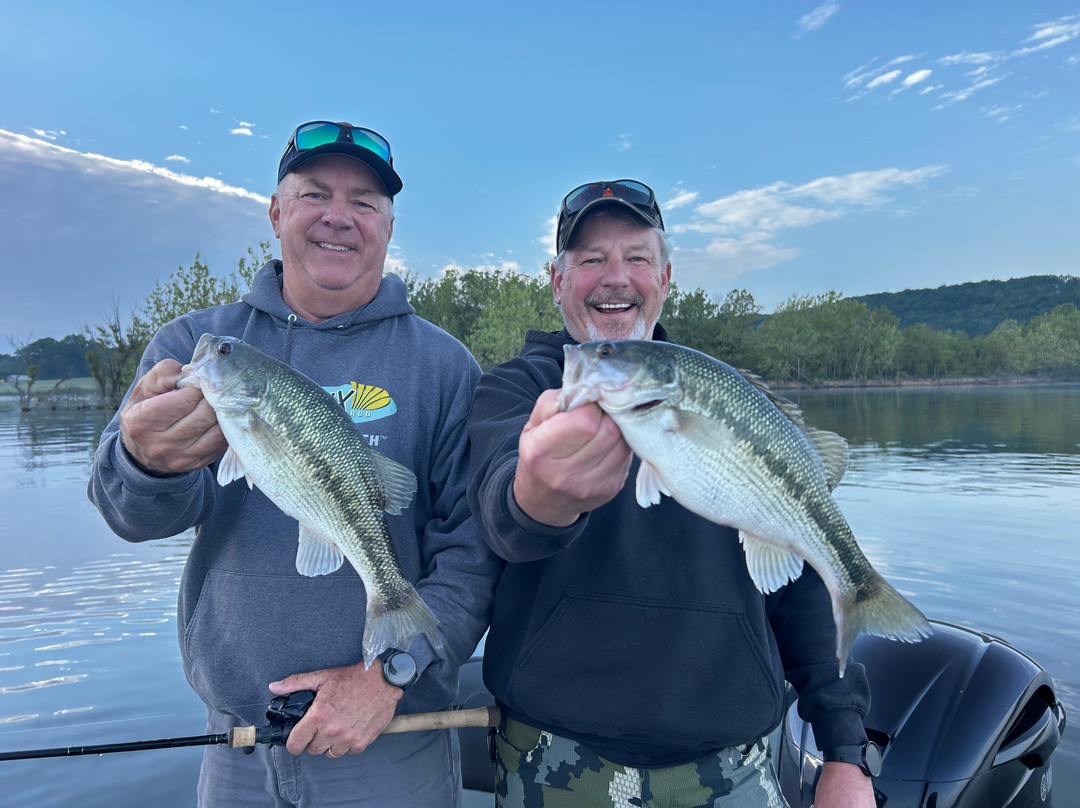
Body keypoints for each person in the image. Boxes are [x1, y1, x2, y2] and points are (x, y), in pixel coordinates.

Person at [88, 120, 501, 808]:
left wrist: (392, 673)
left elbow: (474, 549)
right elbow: (132, 516)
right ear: (276, 213)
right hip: (237, 747)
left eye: (364, 202)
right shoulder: (195, 345)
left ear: (388, 227)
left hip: (391, 742)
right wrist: (143, 463)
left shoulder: (445, 365)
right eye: (314, 194)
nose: (339, 217)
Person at [466, 179, 878, 807]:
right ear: (556, 281)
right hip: (553, 761)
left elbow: (799, 592)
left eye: (636, 258)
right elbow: (504, 517)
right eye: (591, 260)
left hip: (733, 768)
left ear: (665, 278)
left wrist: (845, 754)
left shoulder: (726, 396)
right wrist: (541, 494)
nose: (615, 278)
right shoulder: (516, 392)